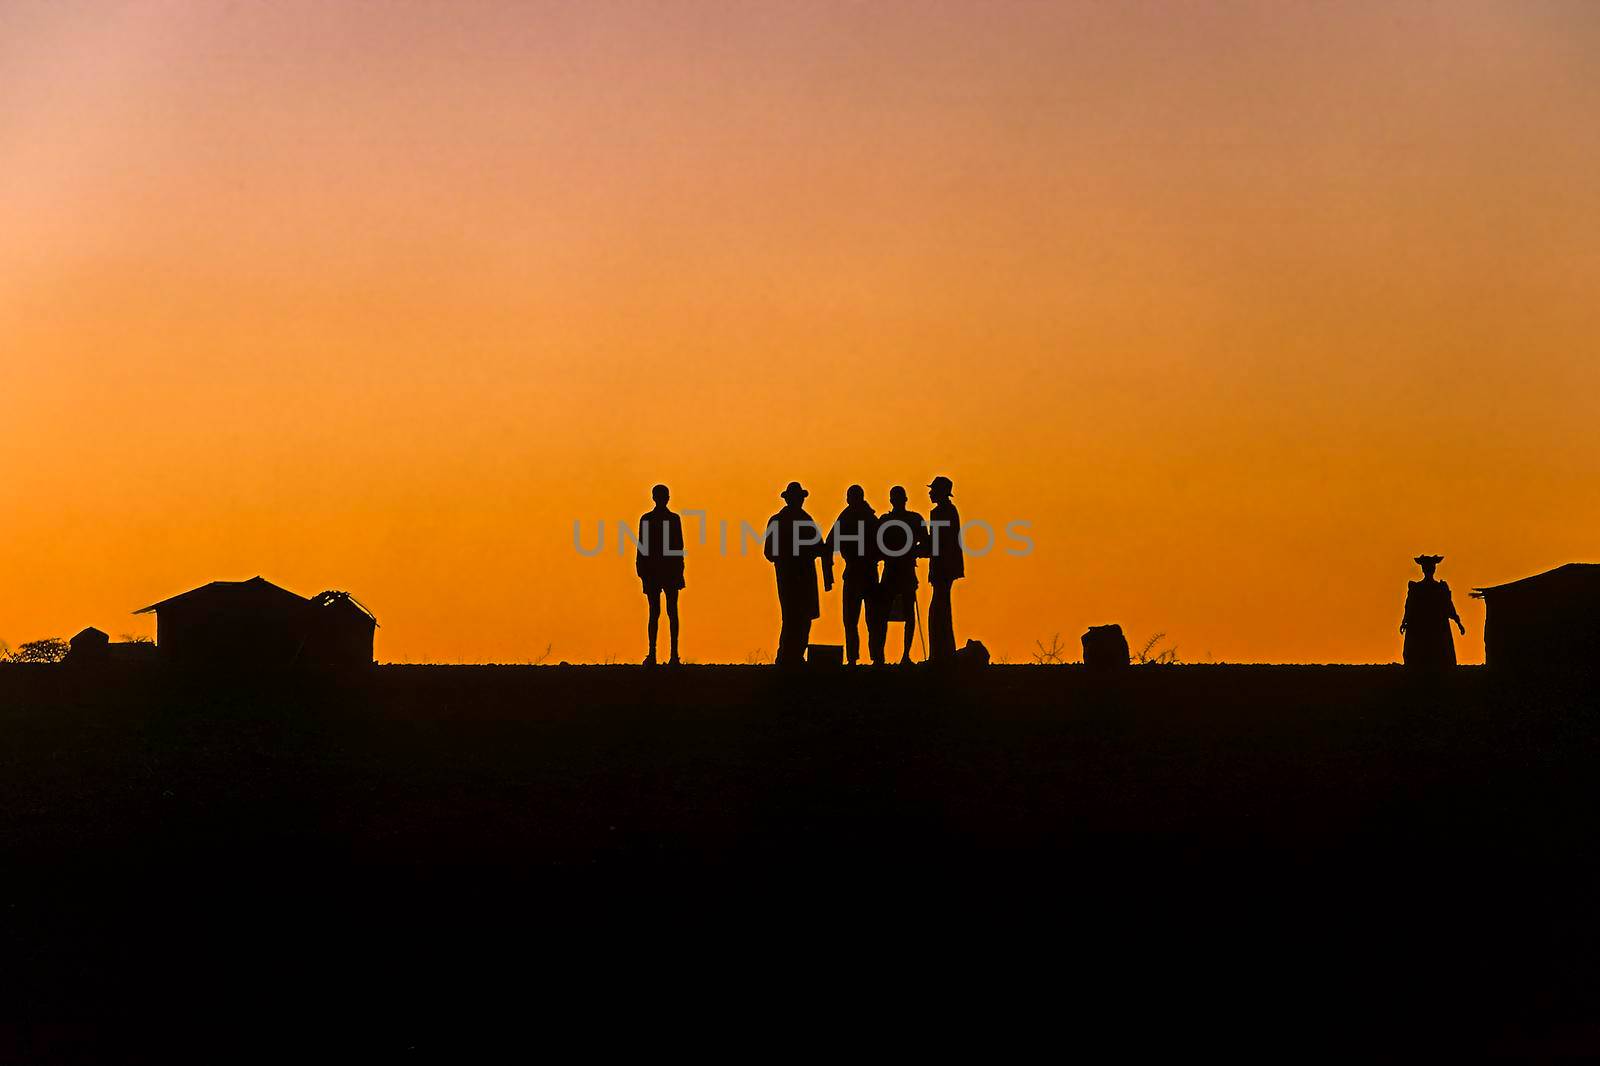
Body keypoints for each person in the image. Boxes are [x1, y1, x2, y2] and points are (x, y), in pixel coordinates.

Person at [764, 481, 833, 667]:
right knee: (797, 617)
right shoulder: (804, 521)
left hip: (792, 577)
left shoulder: (781, 521)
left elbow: (769, 552)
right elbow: (770, 552)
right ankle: (789, 655)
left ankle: (789, 655)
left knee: (795, 616)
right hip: (798, 577)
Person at [828, 485, 882, 665]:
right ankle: (874, 657)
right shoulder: (870, 519)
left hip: (857, 573)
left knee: (856, 619)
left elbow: (829, 544)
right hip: (866, 573)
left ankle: (857, 658)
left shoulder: (847, 518)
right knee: (867, 619)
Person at [875, 485, 926, 665]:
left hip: (898, 571)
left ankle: (893, 656)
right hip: (897, 571)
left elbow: (926, 545)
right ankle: (892, 656)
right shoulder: (912, 519)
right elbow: (927, 545)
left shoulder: (887, 521)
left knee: (891, 614)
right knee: (889, 614)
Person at [635, 484, 685, 666]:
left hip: (657, 572)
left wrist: (641, 569)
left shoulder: (648, 519)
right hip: (665, 571)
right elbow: (678, 548)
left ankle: (657, 654)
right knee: (668, 612)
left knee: (656, 612)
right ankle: (671, 655)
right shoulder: (672, 519)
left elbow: (643, 548)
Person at [1400, 554, 1464, 670]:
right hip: (1425, 627)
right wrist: (1405, 621)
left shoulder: (1438, 588)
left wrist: (1458, 622)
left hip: (1435, 628)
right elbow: (1409, 607)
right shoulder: (1417, 589)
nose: (1430, 569)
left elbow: (1449, 606)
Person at [925, 475, 964, 663]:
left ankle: (940, 654)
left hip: (943, 567)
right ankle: (942, 653)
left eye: (933, 490)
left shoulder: (941, 512)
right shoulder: (948, 511)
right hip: (945, 567)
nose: (930, 493)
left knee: (938, 610)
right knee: (941, 608)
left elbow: (937, 542)